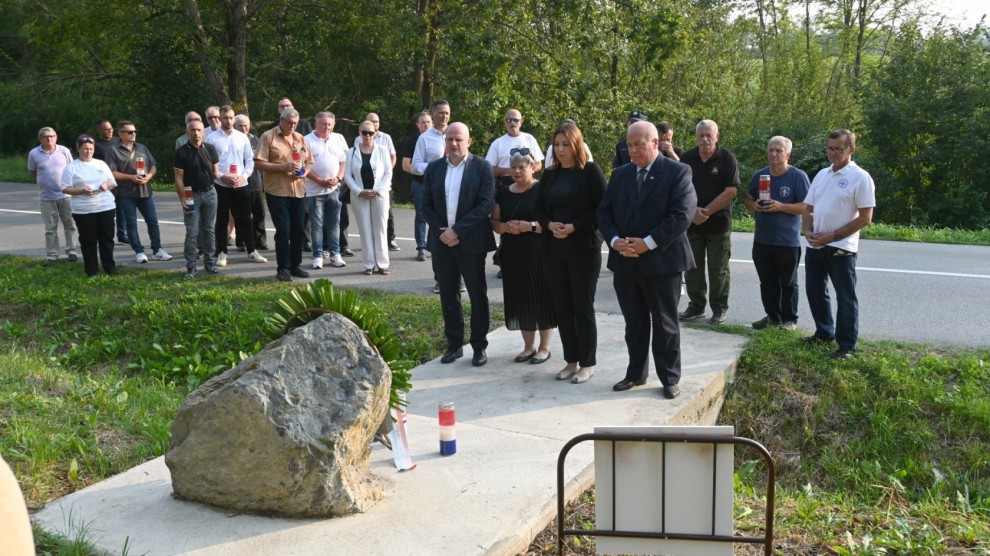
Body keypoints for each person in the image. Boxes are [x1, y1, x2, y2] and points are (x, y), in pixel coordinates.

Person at [598, 121, 697, 399]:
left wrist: (647, 243)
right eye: (629, 145)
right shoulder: (620, 175)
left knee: (665, 323)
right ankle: (635, 374)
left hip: (663, 262)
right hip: (626, 261)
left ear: (655, 143)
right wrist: (616, 241)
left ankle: (669, 378)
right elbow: (604, 213)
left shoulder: (678, 172)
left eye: (639, 145)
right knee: (634, 322)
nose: (633, 150)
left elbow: (682, 215)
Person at [534, 121, 607, 384]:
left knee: (582, 307)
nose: (561, 149)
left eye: (565, 144)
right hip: (554, 249)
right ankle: (571, 360)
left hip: (583, 248)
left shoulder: (590, 172)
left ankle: (587, 363)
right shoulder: (550, 174)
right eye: (556, 145)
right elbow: (539, 209)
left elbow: (602, 208)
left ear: (576, 144)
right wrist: (549, 224)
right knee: (562, 308)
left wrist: (575, 226)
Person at [421, 122, 496, 367]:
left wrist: (457, 231)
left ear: (469, 141)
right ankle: (454, 345)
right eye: (449, 139)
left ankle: (478, 346)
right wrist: (444, 232)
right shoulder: (433, 169)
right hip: (442, 242)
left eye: (458, 140)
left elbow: (484, 205)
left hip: (471, 243)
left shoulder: (482, 167)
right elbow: (425, 204)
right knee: (448, 296)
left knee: (477, 295)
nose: (453, 144)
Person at [803, 129, 875, 360]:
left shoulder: (861, 177)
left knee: (845, 296)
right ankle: (824, 332)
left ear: (851, 150)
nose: (832, 153)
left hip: (842, 246)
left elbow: (865, 218)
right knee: (815, 290)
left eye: (838, 149)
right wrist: (808, 231)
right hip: (816, 244)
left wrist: (832, 237)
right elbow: (808, 207)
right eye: (829, 148)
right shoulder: (822, 174)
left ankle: (846, 346)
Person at [491, 149, 556, 365]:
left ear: (532, 168)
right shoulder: (502, 192)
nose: (517, 171)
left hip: (539, 252)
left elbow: (551, 224)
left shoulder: (543, 190)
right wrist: (506, 227)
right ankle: (528, 347)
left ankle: (545, 347)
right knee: (520, 299)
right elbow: (495, 223)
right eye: (514, 167)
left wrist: (530, 226)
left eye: (522, 167)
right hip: (512, 253)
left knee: (541, 298)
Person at [743, 136, 810, 331]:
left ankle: (789, 320)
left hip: (787, 241)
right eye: (771, 150)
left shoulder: (797, 176)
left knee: (788, 283)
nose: (773, 153)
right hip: (762, 240)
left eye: (778, 150)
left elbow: (805, 206)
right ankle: (773, 317)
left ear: (788, 154)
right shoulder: (760, 175)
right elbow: (748, 199)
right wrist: (753, 205)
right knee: (767, 282)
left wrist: (781, 206)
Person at [678, 119, 739, 325]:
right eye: (701, 135)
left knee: (718, 269)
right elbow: (679, 188)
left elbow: (731, 191)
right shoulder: (687, 158)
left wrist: (705, 211)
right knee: (692, 267)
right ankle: (696, 307)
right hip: (691, 224)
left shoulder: (727, 158)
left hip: (718, 224)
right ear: (696, 137)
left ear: (717, 136)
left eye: (709, 135)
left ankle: (719, 309)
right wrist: (693, 211)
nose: (705, 139)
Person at [255, 107, 313, 282]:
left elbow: (309, 161)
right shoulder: (268, 136)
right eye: (289, 123)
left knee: (298, 231)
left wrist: (304, 171)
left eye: (295, 123)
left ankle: (296, 265)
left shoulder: (299, 138)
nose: (293, 126)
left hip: (298, 191)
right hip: (277, 192)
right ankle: (283, 268)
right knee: (283, 230)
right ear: (281, 120)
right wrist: (283, 167)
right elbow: (258, 163)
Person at [206, 105, 266, 266]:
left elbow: (250, 161)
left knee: (246, 219)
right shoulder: (211, 138)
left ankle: (252, 251)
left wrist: (243, 176)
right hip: (221, 184)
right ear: (220, 118)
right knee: (222, 220)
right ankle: (221, 253)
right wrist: (221, 176)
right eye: (225, 118)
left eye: (231, 117)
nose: (228, 121)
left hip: (241, 183)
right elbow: (208, 164)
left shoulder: (242, 137)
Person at [106, 120, 172, 264]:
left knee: (153, 222)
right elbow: (111, 172)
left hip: (145, 192)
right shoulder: (113, 150)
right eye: (129, 132)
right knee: (131, 224)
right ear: (120, 134)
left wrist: (149, 176)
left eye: (134, 131)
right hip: (126, 193)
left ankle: (157, 250)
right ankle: (139, 251)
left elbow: (153, 165)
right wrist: (131, 177)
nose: (133, 134)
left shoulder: (142, 147)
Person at [60, 135, 117, 277]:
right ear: (78, 149)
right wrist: (81, 191)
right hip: (83, 209)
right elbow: (65, 188)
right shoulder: (71, 167)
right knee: (88, 240)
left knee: (107, 238)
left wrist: (105, 185)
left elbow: (112, 182)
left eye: (91, 149)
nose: (88, 151)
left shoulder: (101, 164)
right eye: (85, 148)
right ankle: (91, 271)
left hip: (105, 206)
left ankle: (110, 268)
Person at [413, 100, 452, 292]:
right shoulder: (425, 138)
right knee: (438, 235)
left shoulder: (456, 134)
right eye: (440, 113)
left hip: (455, 191)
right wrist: (434, 168)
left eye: (447, 113)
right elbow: (416, 164)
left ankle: (456, 278)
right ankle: (440, 278)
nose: (444, 116)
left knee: (456, 233)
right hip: (435, 191)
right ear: (433, 114)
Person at [174, 119, 220, 279]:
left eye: (199, 130)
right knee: (192, 232)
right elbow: (178, 178)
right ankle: (191, 267)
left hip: (210, 193)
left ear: (204, 132)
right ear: (187, 132)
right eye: (192, 130)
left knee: (209, 229)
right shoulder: (181, 152)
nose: (196, 133)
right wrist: (182, 200)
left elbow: (215, 172)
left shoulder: (210, 149)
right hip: (191, 195)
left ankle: (210, 264)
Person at [345, 120, 393, 275]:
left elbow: (388, 173)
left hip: (380, 195)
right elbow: (347, 175)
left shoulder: (383, 150)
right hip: (359, 196)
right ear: (359, 132)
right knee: (365, 230)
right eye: (364, 132)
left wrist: (378, 190)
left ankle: (383, 264)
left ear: (375, 134)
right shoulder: (351, 152)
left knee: (380, 229)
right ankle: (368, 264)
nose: (367, 136)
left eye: (370, 133)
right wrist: (358, 190)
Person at [304, 111, 348, 269]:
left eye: (329, 124)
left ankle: (335, 254)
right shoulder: (306, 140)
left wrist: (338, 178)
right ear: (316, 123)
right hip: (315, 191)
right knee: (316, 224)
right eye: (323, 124)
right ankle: (318, 255)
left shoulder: (339, 138)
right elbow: (303, 167)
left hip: (334, 189)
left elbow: (344, 162)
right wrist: (319, 181)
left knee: (334, 223)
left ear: (333, 125)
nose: (326, 127)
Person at [28, 127, 78, 266]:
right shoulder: (34, 153)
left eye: (52, 136)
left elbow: (71, 169)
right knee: (50, 228)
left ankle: (72, 251)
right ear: (40, 139)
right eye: (45, 136)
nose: (49, 139)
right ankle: (52, 255)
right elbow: (33, 172)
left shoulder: (64, 151)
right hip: (46, 197)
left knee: (69, 224)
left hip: (66, 195)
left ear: (56, 137)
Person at [353, 112, 400, 251]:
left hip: (383, 183)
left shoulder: (386, 138)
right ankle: (369, 244)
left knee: (386, 213)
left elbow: (393, 157)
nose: (374, 124)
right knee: (366, 216)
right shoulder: (358, 140)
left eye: (377, 122)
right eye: (371, 121)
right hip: (364, 184)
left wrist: (385, 174)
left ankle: (389, 240)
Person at [485, 108, 544, 190]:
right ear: (505, 122)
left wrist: (527, 171)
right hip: (504, 185)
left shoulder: (529, 139)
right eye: (509, 120)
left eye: (515, 120)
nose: (512, 122)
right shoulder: (497, 143)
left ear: (521, 122)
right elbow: (489, 169)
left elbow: (539, 164)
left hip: (527, 183)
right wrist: (509, 171)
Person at [234, 114, 269, 250]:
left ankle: (260, 241)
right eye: (240, 126)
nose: (243, 128)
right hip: (239, 182)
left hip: (256, 181)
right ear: (235, 126)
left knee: (260, 213)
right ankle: (242, 241)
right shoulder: (233, 140)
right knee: (242, 214)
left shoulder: (256, 139)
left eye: (245, 126)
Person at [402, 110, 433, 262]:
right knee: (421, 216)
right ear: (417, 125)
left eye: (428, 122)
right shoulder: (412, 142)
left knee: (437, 216)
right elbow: (406, 165)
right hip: (420, 184)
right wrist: (430, 170)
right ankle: (421, 247)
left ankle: (434, 246)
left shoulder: (440, 139)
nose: (426, 125)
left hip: (438, 185)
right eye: (423, 122)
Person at [92, 119, 127, 244]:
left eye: (111, 128)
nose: (109, 131)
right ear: (100, 130)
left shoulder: (119, 141)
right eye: (106, 129)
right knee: (106, 211)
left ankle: (122, 234)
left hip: (120, 180)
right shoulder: (95, 144)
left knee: (121, 209)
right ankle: (105, 236)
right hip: (104, 182)